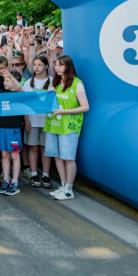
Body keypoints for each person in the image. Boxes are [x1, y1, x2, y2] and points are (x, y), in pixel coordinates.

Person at [44, 55, 89, 200]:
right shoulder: (55, 82)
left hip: (69, 126)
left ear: (67, 67)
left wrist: (64, 111)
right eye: (56, 64)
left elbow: (85, 107)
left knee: (68, 158)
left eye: (60, 65)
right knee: (57, 156)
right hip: (54, 124)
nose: (57, 67)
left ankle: (69, 189)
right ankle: (63, 186)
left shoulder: (77, 83)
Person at [0, 56, 23, 196]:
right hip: (2, 129)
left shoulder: (17, 94)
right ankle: (6, 180)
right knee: (4, 155)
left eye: (7, 81)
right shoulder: (1, 93)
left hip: (14, 129)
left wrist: (10, 76)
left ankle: (15, 182)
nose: (5, 82)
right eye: (5, 80)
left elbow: (19, 87)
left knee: (15, 155)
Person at [22, 55, 52, 189]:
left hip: (48, 121)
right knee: (33, 147)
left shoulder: (53, 81)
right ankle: (34, 174)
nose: (37, 67)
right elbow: (24, 103)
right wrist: (26, 119)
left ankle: (46, 174)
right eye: (35, 65)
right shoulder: (28, 83)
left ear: (46, 66)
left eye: (40, 65)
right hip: (32, 120)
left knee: (45, 148)